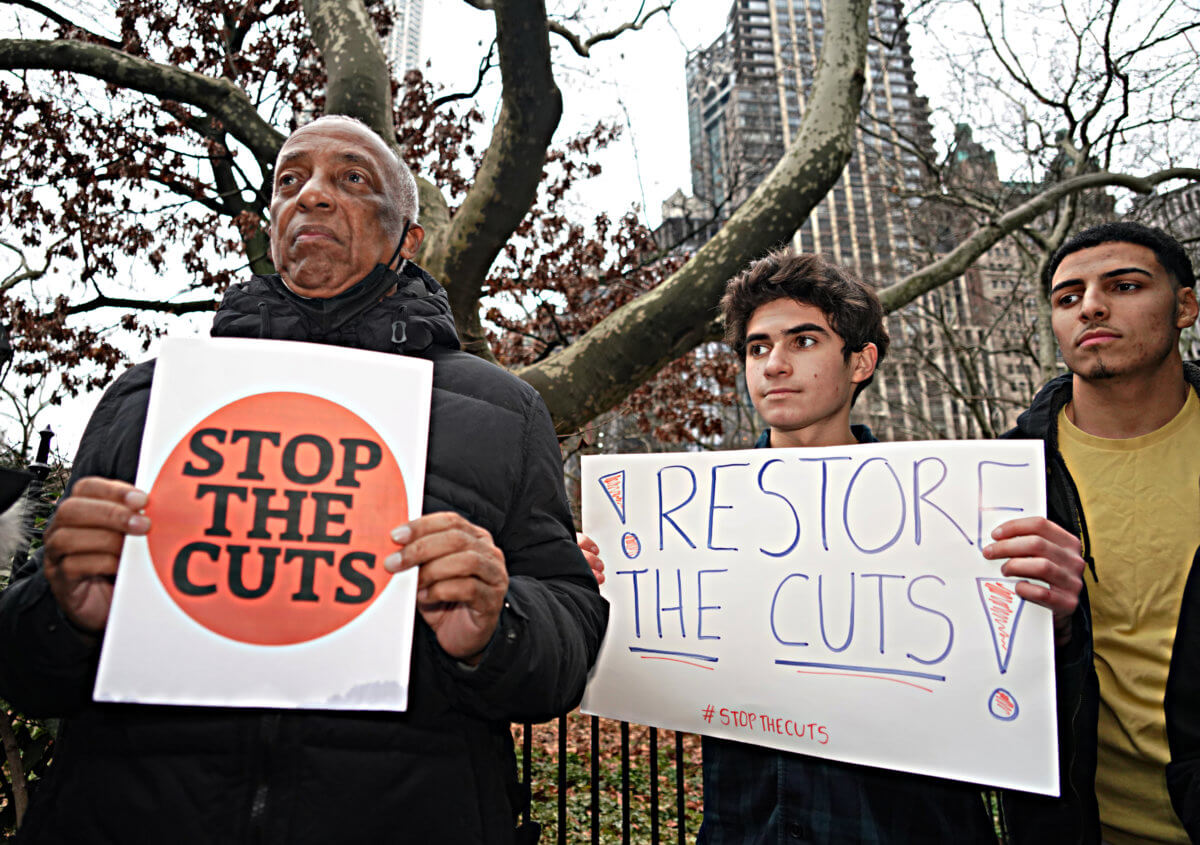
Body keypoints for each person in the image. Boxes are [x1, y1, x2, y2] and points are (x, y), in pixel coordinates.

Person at [0, 115, 608, 845]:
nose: (311, 196)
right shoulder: (149, 397)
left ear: (409, 238)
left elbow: (568, 633)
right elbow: (25, 669)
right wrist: (63, 611)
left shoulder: (503, 413)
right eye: (290, 180)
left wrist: (496, 628)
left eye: (351, 179)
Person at [582, 249, 1086, 843]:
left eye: (803, 341)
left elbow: (1017, 692)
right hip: (747, 824)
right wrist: (594, 597)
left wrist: (1051, 623)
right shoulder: (685, 527)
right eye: (757, 347)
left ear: (861, 361)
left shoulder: (954, 512)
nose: (773, 365)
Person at [999, 222, 1200, 845]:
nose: (1090, 305)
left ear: (1186, 306)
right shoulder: (1003, 472)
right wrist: (1043, 628)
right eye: (1068, 297)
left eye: (1125, 285)